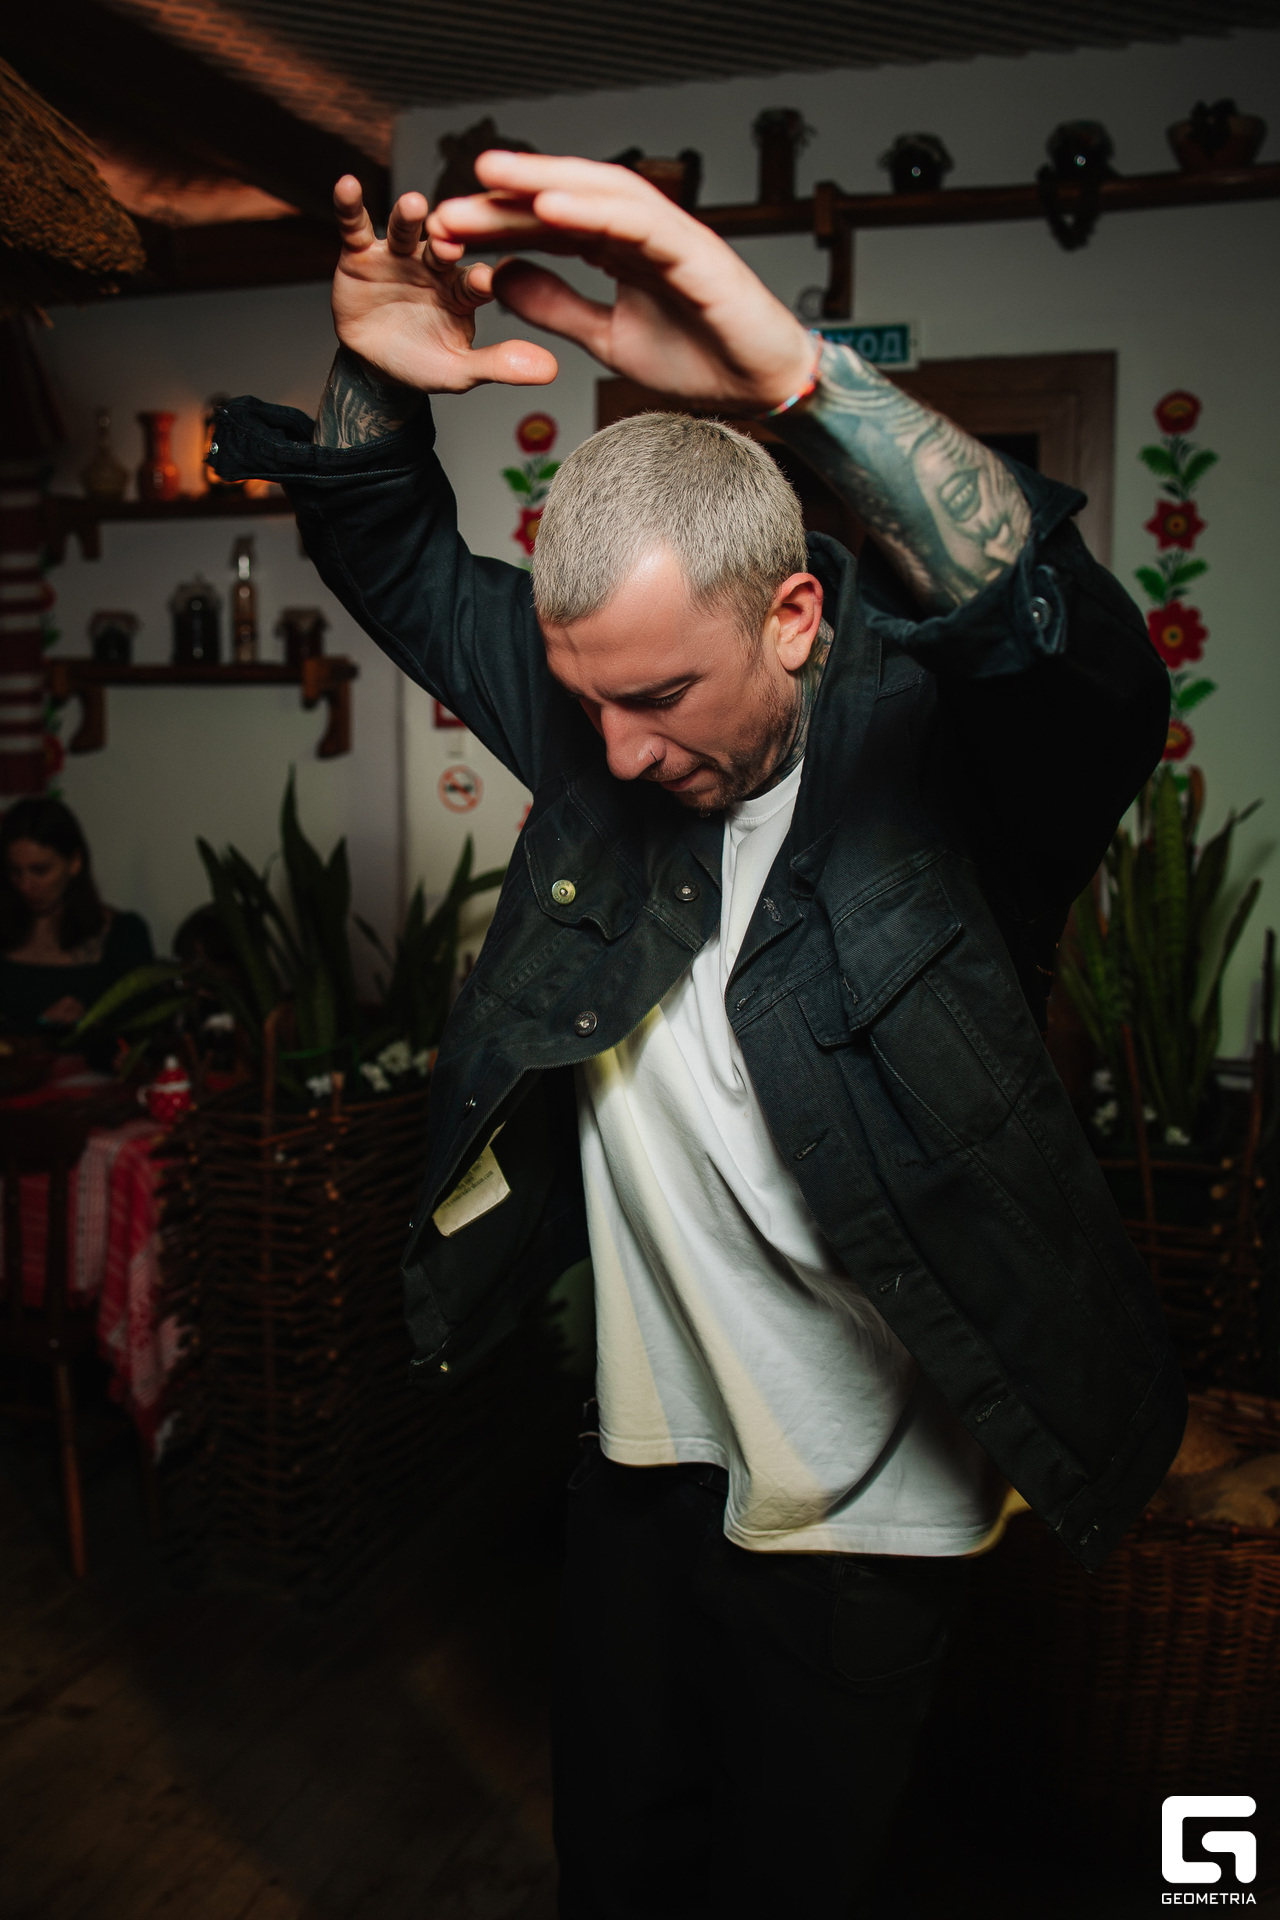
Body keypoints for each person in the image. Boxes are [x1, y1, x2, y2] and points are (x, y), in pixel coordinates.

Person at [210, 154, 1186, 1918]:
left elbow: (1083, 662)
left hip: (869, 1518)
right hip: (639, 1473)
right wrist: (376, 377)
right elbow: (389, 548)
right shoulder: (605, 722)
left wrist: (806, 384)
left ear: (795, 617)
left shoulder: (953, 770)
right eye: (590, 704)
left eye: (663, 696)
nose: (621, 753)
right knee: (622, 1872)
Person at [0, 797, 152, 1039]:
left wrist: (88, 1021)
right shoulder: (6, 929)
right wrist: (38, 1024)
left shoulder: (122, 935)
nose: (25, 886)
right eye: (15, 872)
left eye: (40, 871)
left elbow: (141, 1027)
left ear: (74, 862)